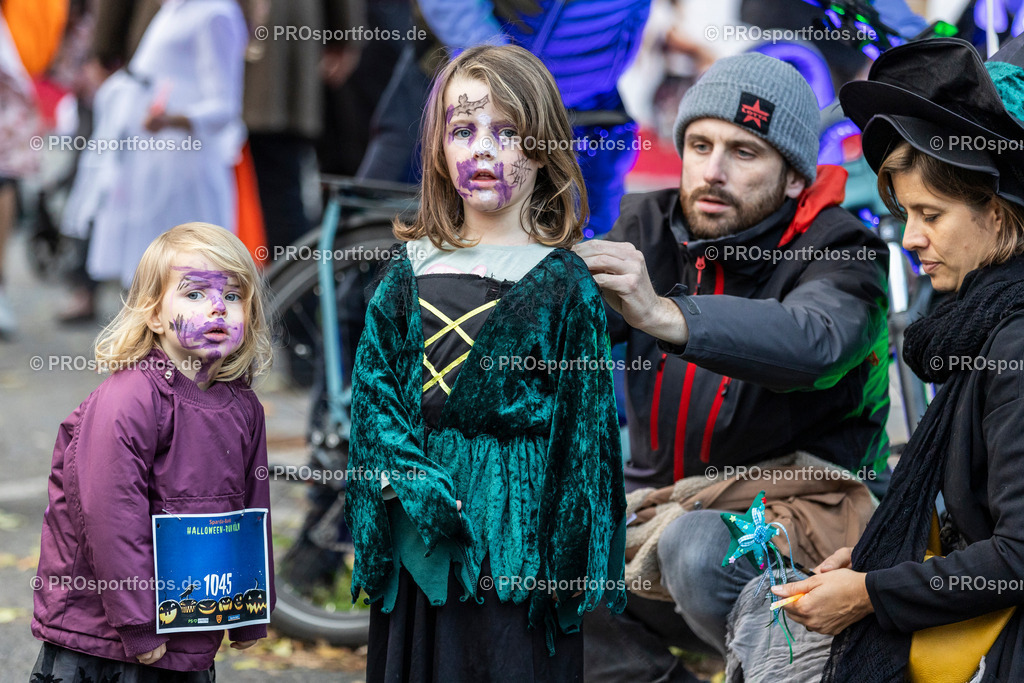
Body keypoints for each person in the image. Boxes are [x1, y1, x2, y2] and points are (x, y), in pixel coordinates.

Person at [576, 52, 890, 681]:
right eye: (699, 144)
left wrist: (667, 315)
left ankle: (778, 667)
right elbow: (548, 336)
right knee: (522, 535)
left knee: (696, 545)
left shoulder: (843, 250)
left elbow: (816, 343)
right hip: (656, 514)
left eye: (745, 153)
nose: (712, 171)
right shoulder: (650, 226)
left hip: (803, 535)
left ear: (796, 178)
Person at [344, 44, 627, 682]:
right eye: (463, 130)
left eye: (507, 132)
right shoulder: (409, 272)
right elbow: (375, 401)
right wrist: (411, 484)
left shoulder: (564, 283)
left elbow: (584, 436)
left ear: (544, 147)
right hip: (424, 530)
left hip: (517, 536)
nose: (482, 150)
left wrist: (569, 558)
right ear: (439, 150)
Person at [772, 36, 1024, 682]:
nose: (910, 238)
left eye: (930, 215)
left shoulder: (1014, 339)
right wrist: (875, 558)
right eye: (906, 213)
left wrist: (870, 590)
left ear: (999, 215)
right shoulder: (982, 323)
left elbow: (1019, 554)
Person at [30, 223, 275, 680]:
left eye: (235, 295)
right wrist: (139, 623)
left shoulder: (244, 407)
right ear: (155, 314)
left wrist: (250, 607)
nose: (218, 307)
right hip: (105, 639)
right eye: (195, 294)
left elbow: (249, 514)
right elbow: (109, 516)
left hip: (189, 630)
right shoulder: (131, 399)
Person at [61, 0, 249, 299]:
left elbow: (225, 107)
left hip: (185, 170)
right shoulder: (174, 9)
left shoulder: (215, 15)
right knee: (151, 276)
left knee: (187, 274)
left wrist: (171, 119)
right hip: (153, 166)